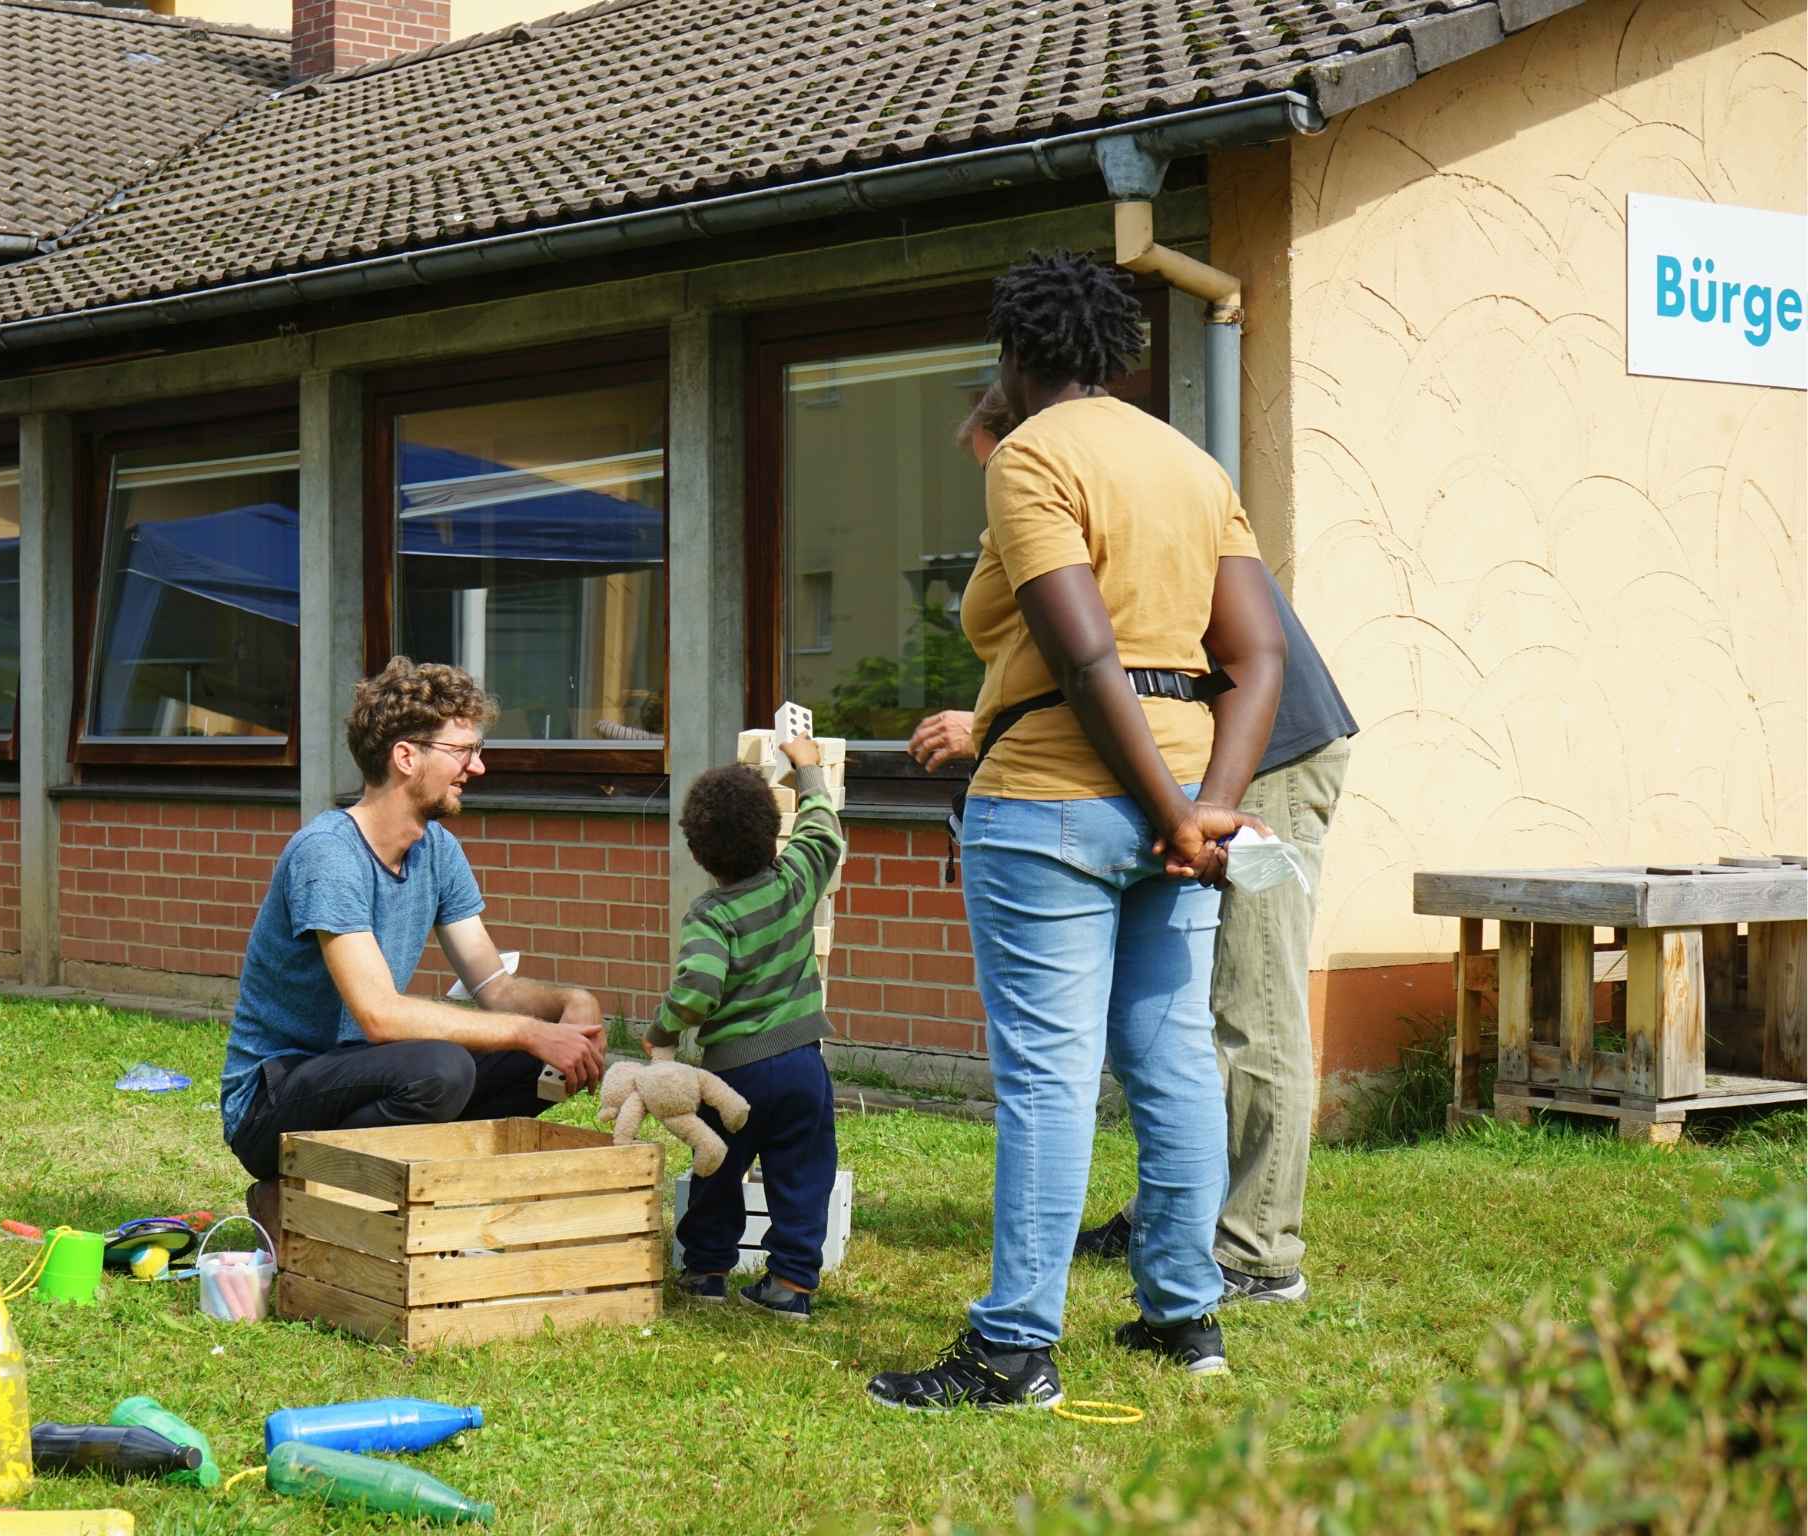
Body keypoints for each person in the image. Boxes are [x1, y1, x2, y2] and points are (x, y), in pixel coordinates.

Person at [866, 251, 1285, 1411]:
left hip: (1051, 799)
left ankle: (1011, 1351)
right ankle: (1183, 1315)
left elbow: (1084, 652)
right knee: (1171, 1057)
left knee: (1047, 1079)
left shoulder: (1031, 456)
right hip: (1181, 792)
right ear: (1118, 352)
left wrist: (1175, 815)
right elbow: (1256, 656)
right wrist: (1201, 811)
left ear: (1014, 354)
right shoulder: (1192, 465)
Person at [922, 387, 1360, 1306]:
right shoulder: (1174, 468)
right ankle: (1176, 1253)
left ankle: (1254, 1249)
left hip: (1262, 750)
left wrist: (1196, 812)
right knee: (1173, 1041)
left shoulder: (1066, 466)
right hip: (1186, 765)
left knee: (1250, 1006)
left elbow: (1112, 657)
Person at [220, 657, 608, 1237]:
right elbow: (379, 1015)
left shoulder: (437, 849)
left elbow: (495, 988)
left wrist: (567, 1005)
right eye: (463, 751)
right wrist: (528, 1030)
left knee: (533, 1059)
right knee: (440, 1068)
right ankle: (296, 1190)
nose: (477, 766)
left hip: (364, 1078)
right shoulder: (327, 854)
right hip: (273, 1102)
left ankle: (432, 1198)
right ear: (406, 756)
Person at [652, 732, 843, 1321]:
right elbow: (824, 832)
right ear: (772, 830)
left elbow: (697, 991)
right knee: (803, 1172)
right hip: (802, 1066)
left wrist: (662, 1032)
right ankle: (790, 1284)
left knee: (715, 1166)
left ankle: (707, 1271)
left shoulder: (711, 916)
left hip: (733, 1076)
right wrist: (808, 769)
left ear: (698, 852)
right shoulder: (796, 882)